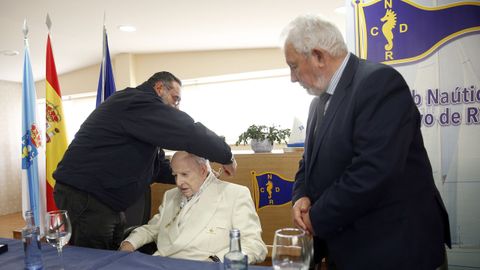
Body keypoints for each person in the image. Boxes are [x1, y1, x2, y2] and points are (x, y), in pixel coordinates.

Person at [283, 15, 451, 269]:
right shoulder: (318, 103)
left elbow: (374, 171)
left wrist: (315, 218)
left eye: (294, 66)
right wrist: (301, 196)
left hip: (394, 250)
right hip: (351, 247)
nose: (292, 78)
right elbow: (309, 162)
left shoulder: (379, 83)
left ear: (318, 56)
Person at [53, 71, 237, 250]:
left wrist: (192, 175)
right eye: (175, 99)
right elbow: (186, 130)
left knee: (110, 259)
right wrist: (225, 155)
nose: (176, 107)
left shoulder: (140, 119)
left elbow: (155, 168)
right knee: (94, 262)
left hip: (106, 202)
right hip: (87, 197)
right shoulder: (136, 101)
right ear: (159, 88)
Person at [119, 151, 267, 264]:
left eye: (184, 174)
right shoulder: (171, 195)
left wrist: (216, 261)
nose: (178, 182)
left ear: (203, 170)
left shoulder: (234, 194)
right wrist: (129, 243)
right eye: (175, 175)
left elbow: (254, 245)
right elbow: (153, 229)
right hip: (160, 264)